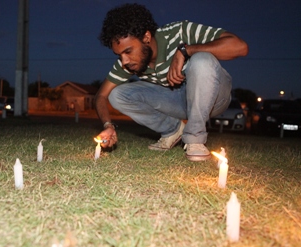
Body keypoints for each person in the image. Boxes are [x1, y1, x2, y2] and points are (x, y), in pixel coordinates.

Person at [95, 3, 248, 161]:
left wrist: (186, 50)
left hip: (215, 98)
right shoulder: (128, 63)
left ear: (146, 37)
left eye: (128, 51)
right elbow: (101, 96)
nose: (124, 60)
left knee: (202, 59)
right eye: (119, 55)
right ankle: (172, 130)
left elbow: (240, 47)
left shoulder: (179, 32)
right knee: (117, 95)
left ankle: (195, 139)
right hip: (179, 102)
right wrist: (108, 126)